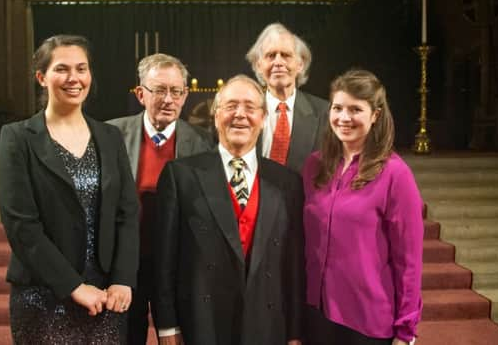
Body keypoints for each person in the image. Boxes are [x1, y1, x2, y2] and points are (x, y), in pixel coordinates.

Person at [0, 35, 139, 344]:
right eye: (61, 69)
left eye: (81, 68)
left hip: (105, 296)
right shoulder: (18, 138)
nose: (74, 78)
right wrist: (73, 286)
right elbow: (21, 226)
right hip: (43, 294)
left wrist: (123, 279)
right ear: (41, 77)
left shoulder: (110, 136)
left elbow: (127, 215)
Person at [152, 75, 304, 345]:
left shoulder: (287, 182)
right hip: (202, 324)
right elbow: (164, 261)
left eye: (250, 107)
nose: (240, 115)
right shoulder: (181, 175)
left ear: (263, 117)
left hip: (267, 326)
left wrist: (294, 332)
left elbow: (292, 265)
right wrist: (167, 326)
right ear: (216, 114)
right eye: (231, 105)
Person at [301, 69, 423, 345]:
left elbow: (410, 260)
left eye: (355, 109)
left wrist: (406, 331)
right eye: (338, 108)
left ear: (376, 115)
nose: (344, 118)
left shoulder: (395, 175)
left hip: (366, 320)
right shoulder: (313, 166)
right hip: (316, 314)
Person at [107, 53, 212, 345]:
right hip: (125, 263)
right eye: (159, 90)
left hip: (178, 264)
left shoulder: (205, 143)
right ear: (141, 94)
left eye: (176, 91)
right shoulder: (110, 134)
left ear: (185, 95)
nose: (168, 99)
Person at [246, 23, 329, 173]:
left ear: (300, 65)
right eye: (271, 56)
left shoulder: (326, 114)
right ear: (259, 65)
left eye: (286, 55)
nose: (278, 62)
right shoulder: (244, 113)